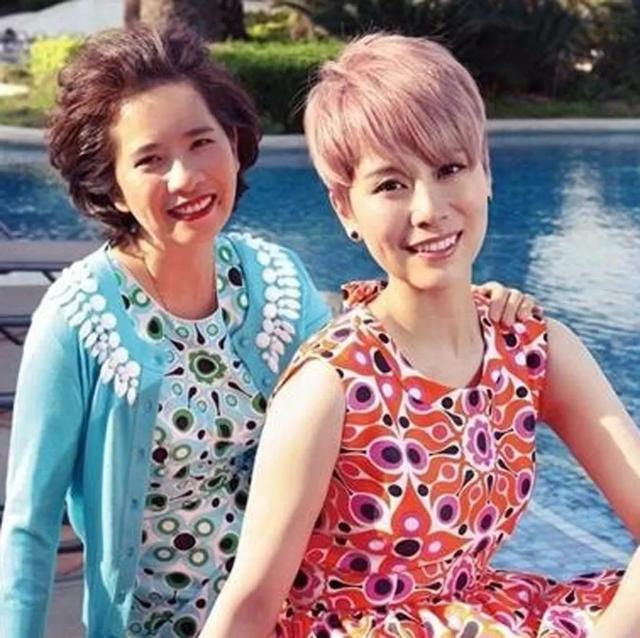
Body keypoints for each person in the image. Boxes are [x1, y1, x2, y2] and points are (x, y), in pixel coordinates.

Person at [0, 25, 531, 638]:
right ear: (112, 184)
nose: (185, 177)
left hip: (303, 620)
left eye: (201, 142)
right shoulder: (78, 319)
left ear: (233, 144)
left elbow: (370, 393)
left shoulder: (277, 281)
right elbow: (30, 530)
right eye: (150, 160)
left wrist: (465, 305)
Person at [203, 33, 640, 638]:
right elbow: (250, 605)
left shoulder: (529, 350)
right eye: (390, 184)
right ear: (345, 208)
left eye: (450, 168)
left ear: (486, 172)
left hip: (482, 617)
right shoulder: (332, 385)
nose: (430, 209)